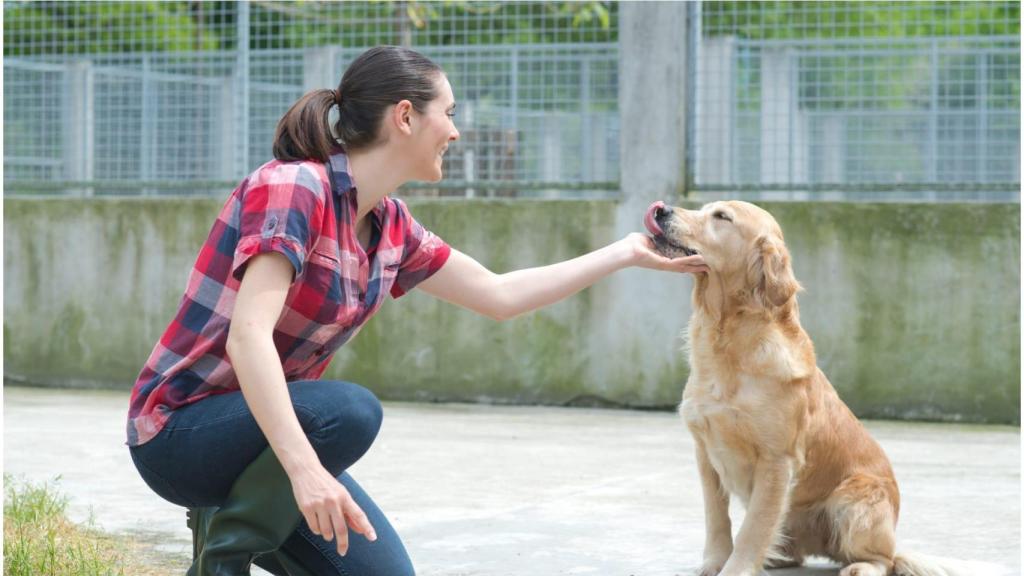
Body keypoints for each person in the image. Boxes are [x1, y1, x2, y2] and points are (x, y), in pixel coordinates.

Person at [126, 45, 707, 576]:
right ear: (405, 116)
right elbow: (248, 336)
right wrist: (306, 474)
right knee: (349, 411)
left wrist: (626, 253)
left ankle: (235, 513)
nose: (455, 130)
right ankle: (220, 561)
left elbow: (499, 295)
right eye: (448, 113)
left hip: (268, 442)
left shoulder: (392, 226)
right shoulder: (295, 187)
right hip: (180, 433)